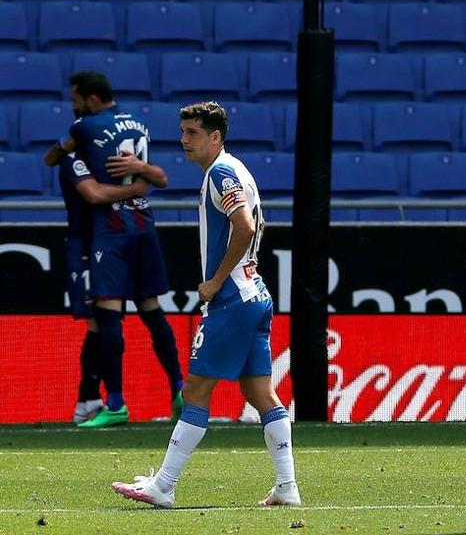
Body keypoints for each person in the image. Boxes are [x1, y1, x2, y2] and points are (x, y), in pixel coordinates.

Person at [112, 102, 299, 509]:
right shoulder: (235, 169)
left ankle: (164, 484)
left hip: (233, 297)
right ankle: (287, 487)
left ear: (215, 137)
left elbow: (244, 226)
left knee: (196, 388)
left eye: (192, 133)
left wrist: (215, 280)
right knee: (260, 391)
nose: (183, 141)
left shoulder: (222, 172)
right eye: (182, 132)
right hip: (256, 293)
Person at [52, 71, 180, 429]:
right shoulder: (138, 124)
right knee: (152, 311)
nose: (72, 105)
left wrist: (62, 148)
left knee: (106, 318)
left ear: (91, 99)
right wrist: (141, 181)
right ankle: (179, 390)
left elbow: (85, 185)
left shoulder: (84, 128)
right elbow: (162, 179)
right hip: (143, 226)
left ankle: (115, 402)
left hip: (108, 234)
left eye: (76, 98)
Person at [46, 145, 159, 424]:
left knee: (101, 322)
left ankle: (88, 400)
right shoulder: (75, 158)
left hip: (108, 243)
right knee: (96, 321)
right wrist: (134, 190)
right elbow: (93, 194)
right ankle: (89, 399)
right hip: (85, 244)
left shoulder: (106, 157)